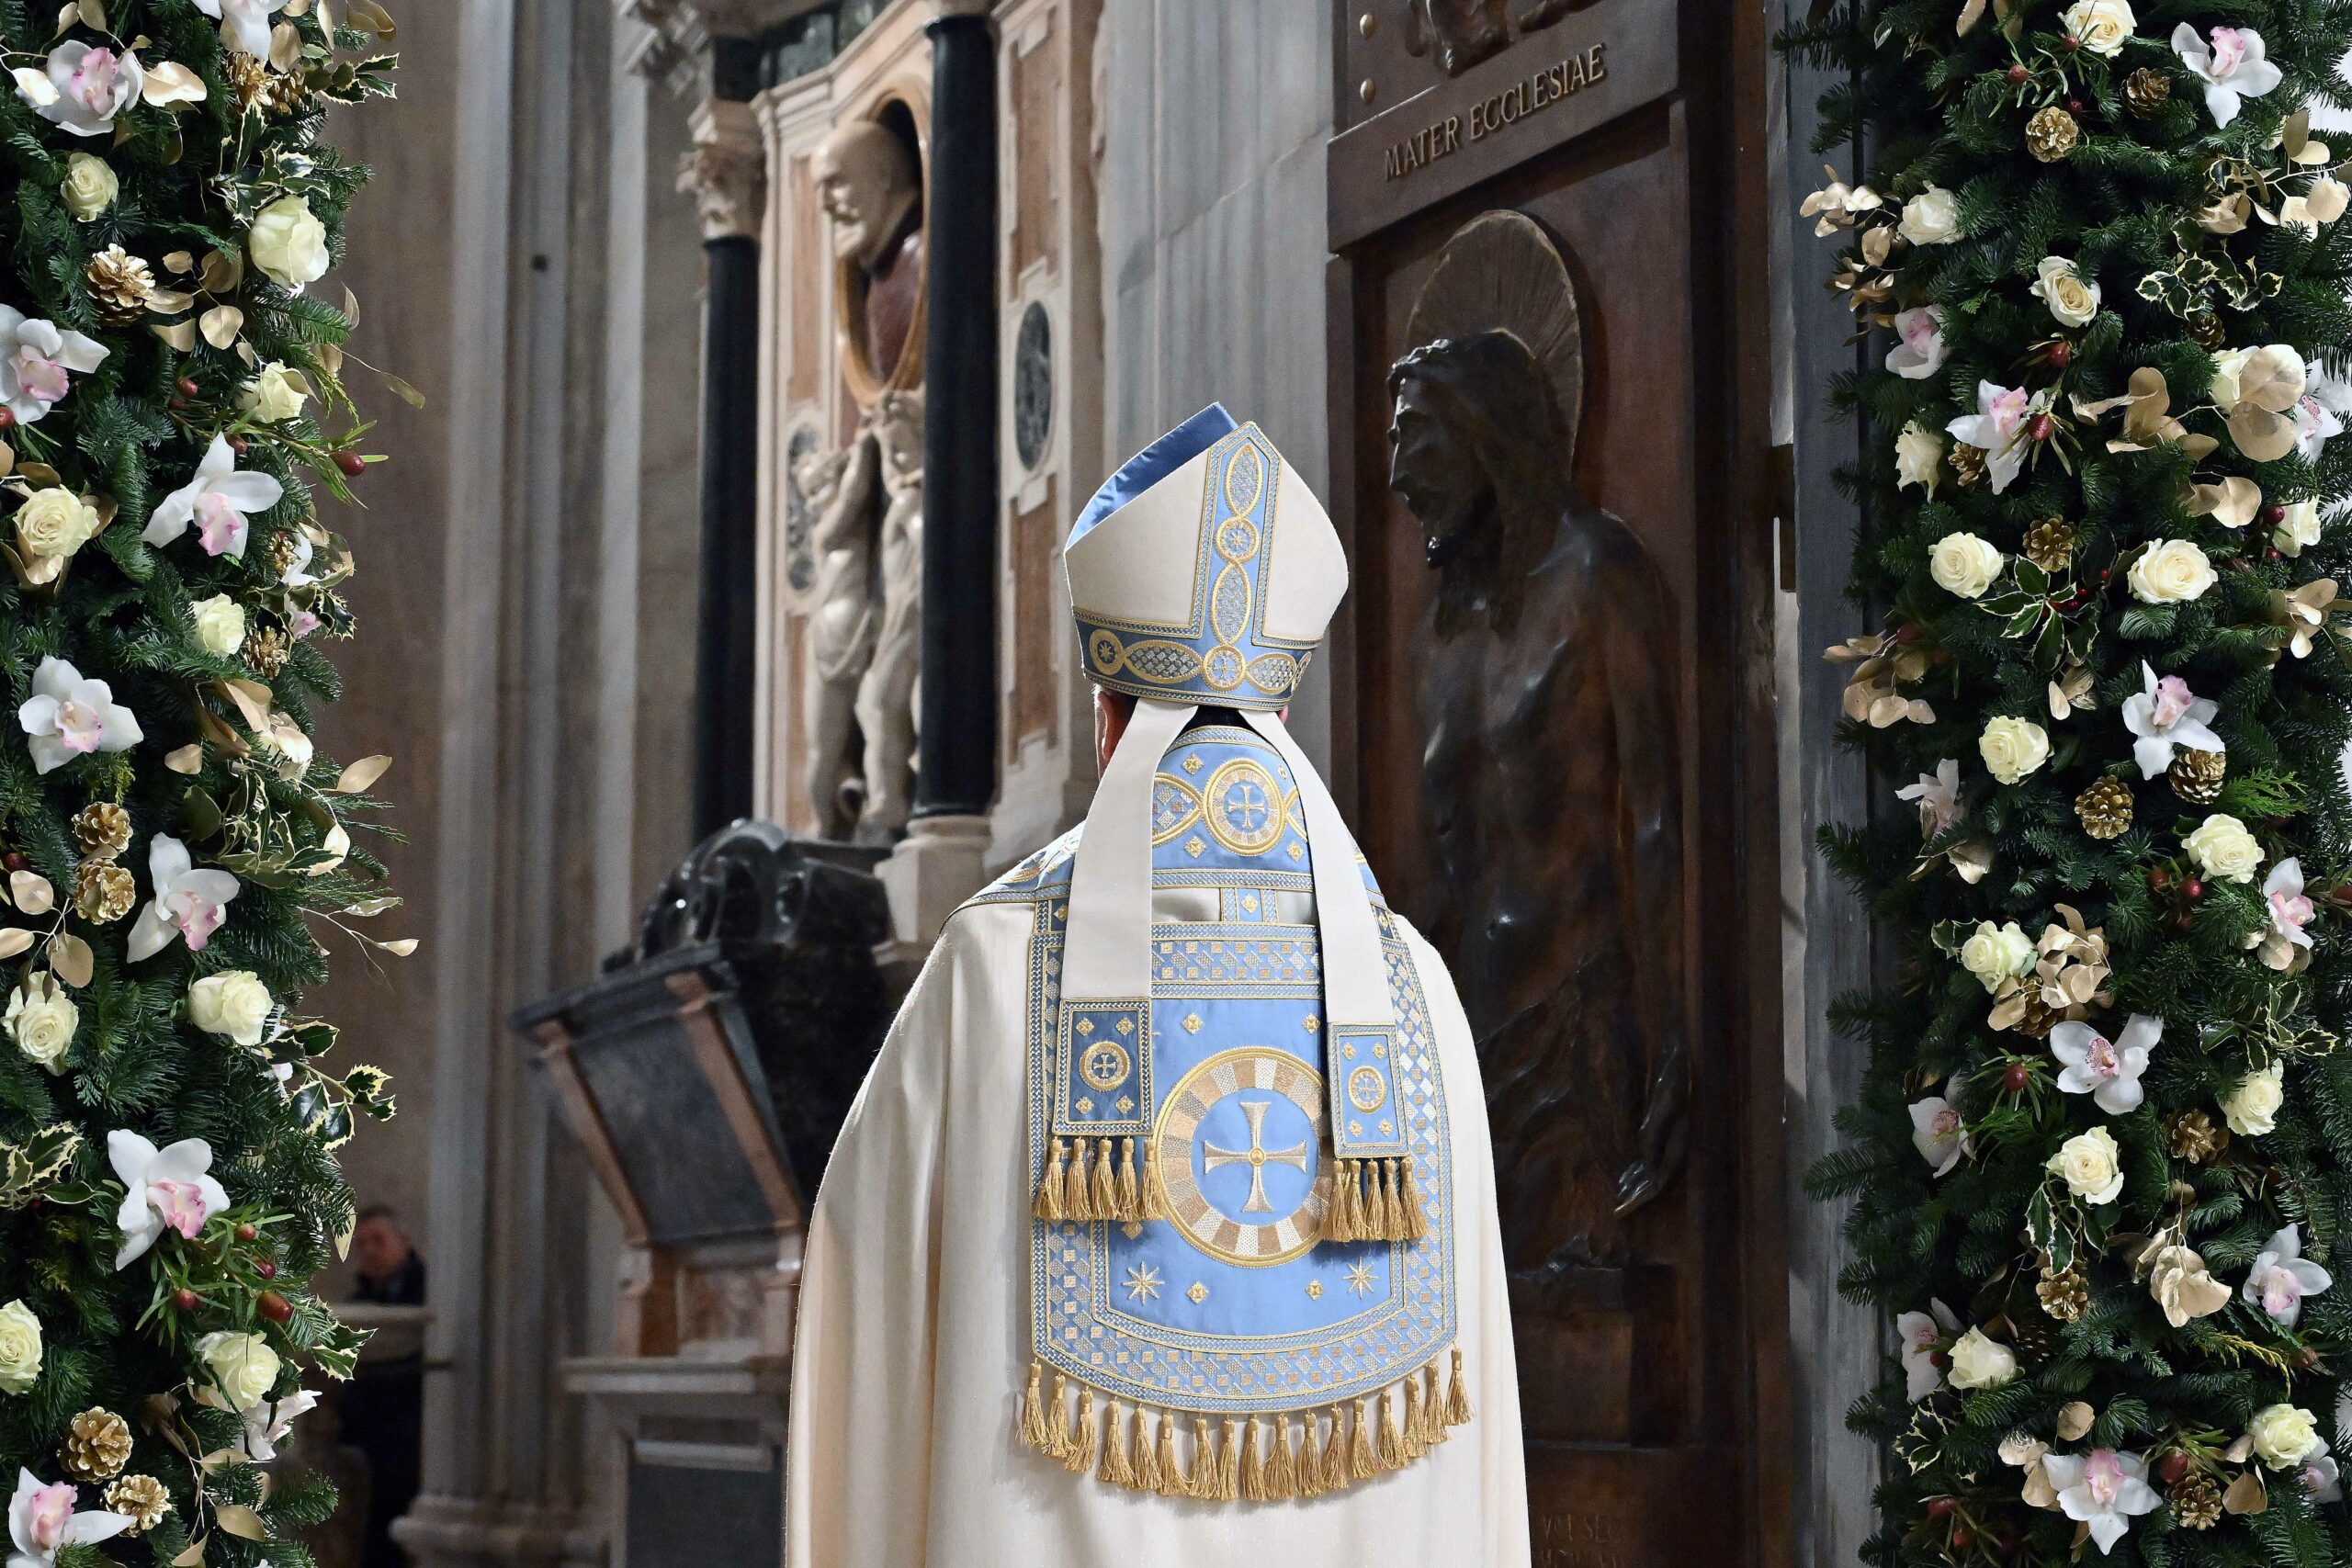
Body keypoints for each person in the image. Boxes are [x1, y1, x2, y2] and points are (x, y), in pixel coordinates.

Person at [786, 406, 1529, 1564]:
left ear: (1104, 716)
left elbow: (865, 1294)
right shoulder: (1413, 985)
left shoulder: (995, 969)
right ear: (1279, 709)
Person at [341, 1205, 424, 1568]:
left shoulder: (430, 1293)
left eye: (378, 1240)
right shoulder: (357, 1306)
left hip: (416, 1436)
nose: (370, 1251)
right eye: (361, 1245)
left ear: (404, 1242)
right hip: (367, 1439)